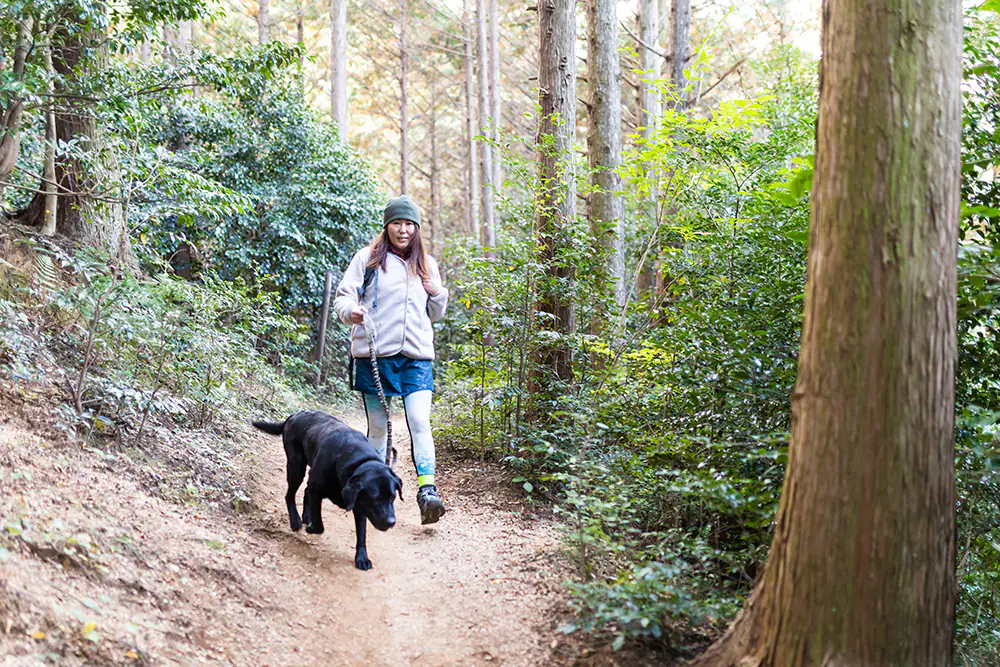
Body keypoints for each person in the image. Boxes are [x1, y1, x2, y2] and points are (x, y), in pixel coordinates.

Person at [333, 195, 449, 525]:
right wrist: (350, 312)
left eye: (409, 224)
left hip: (416, 357)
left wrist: (437, 290)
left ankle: (428, 492)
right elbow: (344, 296)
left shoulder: (427, 263)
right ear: (387, 226)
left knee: (419, 421)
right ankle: (373, 488)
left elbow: (436, 313)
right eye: (397, 223)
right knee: (380, 427)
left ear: (417, 228)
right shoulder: (367, 259)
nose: (403, 230)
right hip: (375, 355)